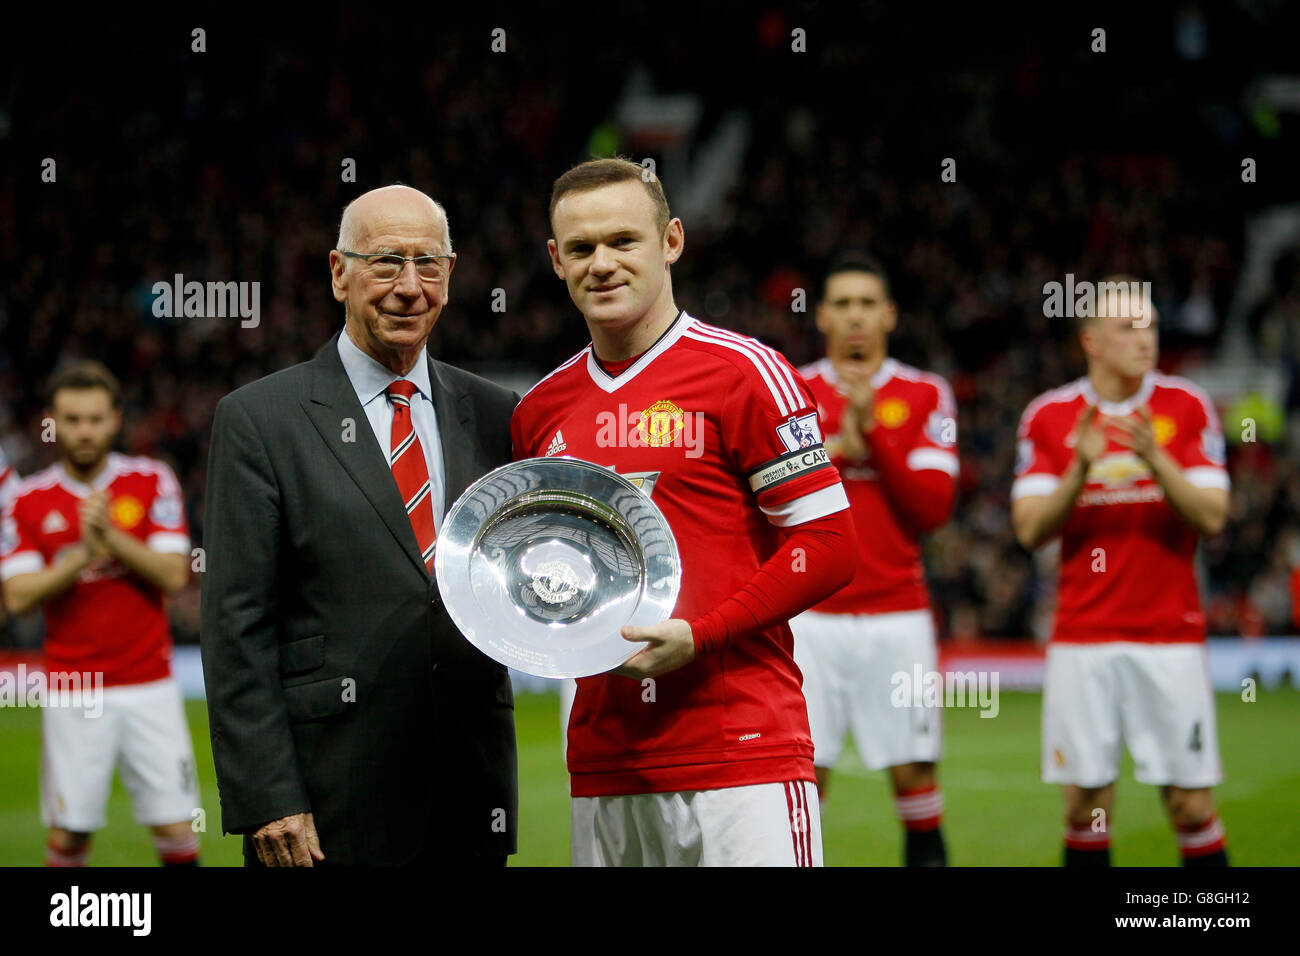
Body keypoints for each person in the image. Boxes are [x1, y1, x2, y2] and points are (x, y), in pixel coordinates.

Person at [512, 157, 858, 866]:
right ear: (555, 260)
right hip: (606, 762)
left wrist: (701, 636)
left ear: (671, 240)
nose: (601, 264)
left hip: (743, 756)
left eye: (622, 241)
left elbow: (828, 543)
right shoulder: (539, 411)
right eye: (580, 249)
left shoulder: (744, 373)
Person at [200, 184, 519, 867]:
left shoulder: (496, 414)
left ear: (452, 275)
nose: (409, 286)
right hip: (325, 800)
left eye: (428, 264)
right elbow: (236, 623)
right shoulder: (262, 419)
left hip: (468, 792)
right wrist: (266, 794)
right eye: (385, 262)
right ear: (338, 272)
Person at [1011, 277, 1230, 867]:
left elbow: (1213, 516)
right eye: (1128, 328)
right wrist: (1079, 472)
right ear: (1091, 341)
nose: (1145, 339)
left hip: (1170, 637)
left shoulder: (1187, 407)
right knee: (1085, 804)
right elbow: (1030, 529)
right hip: (1083, 639)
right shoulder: (1050, 415)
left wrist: (1155, 458)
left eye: (1152, 325)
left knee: (1189, 803)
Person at [792, 252, 958, 866]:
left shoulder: (924, 393)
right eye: (842, 304)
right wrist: (837, 450)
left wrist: (875, 440)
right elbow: (765, 500)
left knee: (915, 776)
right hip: (808, 615)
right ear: (823, 317)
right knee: (805, 777)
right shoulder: (793, 391)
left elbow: (932, 508)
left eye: (867, 303)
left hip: (897, 615)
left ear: (889, 315)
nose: (855, 316)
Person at [0, 361, 200, 866]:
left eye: (94, 418)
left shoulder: (152, 480)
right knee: (69, 834)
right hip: (74, 689)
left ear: (115, 419)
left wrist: (109, 537)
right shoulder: (27, 499)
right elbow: (19, 595)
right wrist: (82, 557)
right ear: (52, 422)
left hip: (150, 683)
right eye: (71, 419)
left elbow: (175, 575)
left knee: (177, 828)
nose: (84, 431)